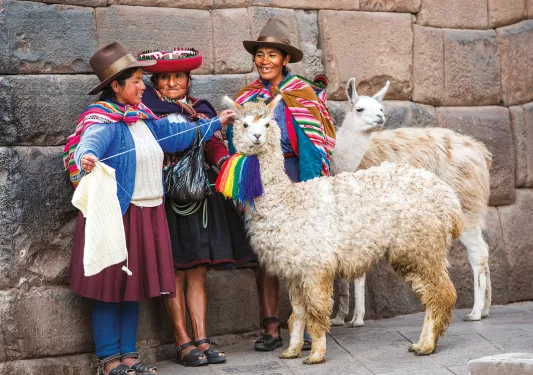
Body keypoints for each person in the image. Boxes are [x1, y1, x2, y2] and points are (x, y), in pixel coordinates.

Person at [63, 41, 231, 375]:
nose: (145, 86)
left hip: (146, 213)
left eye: (142, 79)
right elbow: (91, 139)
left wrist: (214, 123)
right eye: (138, 81)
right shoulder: (104, 120)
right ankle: (109, 360)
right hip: (118, 214)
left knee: (132, 286)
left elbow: (177, 133)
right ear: (116, 86)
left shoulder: (142, 119)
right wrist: (86, 156)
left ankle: (129, 356)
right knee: (110, 286)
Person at [138, 48, 253, 366]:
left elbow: (215, 143)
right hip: (165, 199)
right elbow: (167, 143)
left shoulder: (201, 110)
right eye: (166, 76)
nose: (173, 82)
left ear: (188, 80)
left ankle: (202, 337)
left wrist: (228, 166)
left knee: (198, 271)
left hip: (200, 197)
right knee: (174, 271)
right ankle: (182, 340)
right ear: (156, 81)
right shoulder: (147, 113)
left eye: (179, 76)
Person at [229, 18, 336, 352]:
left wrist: (313, 183)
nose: (264, 60)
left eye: (272, 54)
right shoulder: (247, 98)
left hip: (297, 171)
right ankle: (272, 324)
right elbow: (239, 142)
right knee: (268, 254)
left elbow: (317, 141)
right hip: (262, 176)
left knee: (305, 253)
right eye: (260, 54)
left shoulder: (303, 94)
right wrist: (242, 184)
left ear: (285, 59)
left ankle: (306, 325)